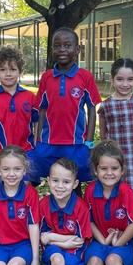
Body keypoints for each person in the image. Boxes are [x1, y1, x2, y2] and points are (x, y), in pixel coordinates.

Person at [29, 27, 102, 185]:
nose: (62, 49)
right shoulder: (47, 77)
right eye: (57, 46)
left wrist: (89, 142)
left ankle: (78, 210)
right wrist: (38, 139)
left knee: (74, 182)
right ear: (52, 50)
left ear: (77, 50)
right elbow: (42, 109)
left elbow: (91, 109)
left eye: (67, 45)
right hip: (49, 142)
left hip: (75, 143)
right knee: (54, 181)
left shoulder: (85, 77)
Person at [98, 58, 133, 196]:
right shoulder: (106, 105)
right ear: (112, 79)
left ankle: (130, 216)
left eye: (130, 79)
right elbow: (103, 136)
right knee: (114, 192)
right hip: (113, 156)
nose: (125, 84)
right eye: (120, 79)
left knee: (132, 194)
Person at [0, 47, 38, 186]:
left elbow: (37, 122)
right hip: (3, 154)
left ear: (20, 71)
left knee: (27, 190)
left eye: (13, 69)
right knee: (3, 192)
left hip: (27, 152)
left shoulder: (30, 97)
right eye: (3, 70)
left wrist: (36, 147)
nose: (8, 74)